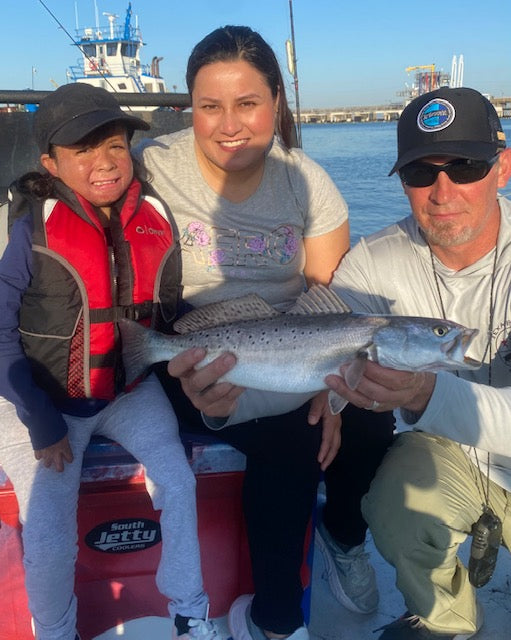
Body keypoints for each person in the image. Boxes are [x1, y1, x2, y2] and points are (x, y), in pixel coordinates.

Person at [136, 25, 394, 640]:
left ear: (277, 103)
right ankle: (276, 620)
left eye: (248, 104)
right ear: (189, 107)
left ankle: (343, 537)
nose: (230, 124)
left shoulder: (307, 183)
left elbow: (331, 299)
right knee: (289, 442)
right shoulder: (151, 167)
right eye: (210, 106)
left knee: (370, 416)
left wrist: (328, 390)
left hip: (298, 348)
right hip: (191, 352)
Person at [0, 83, 221, 640]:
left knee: (178, 483)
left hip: (129, 392)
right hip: (41, 401)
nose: (104, 163)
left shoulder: (155, 219)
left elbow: (169, 310)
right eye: (83, 151)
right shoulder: (31, 230)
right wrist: (42, 423)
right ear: (51, 164)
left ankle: (189, 611)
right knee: (47, 528)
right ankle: (56, 629)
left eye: (115, 145)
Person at [321, 86, 511, 638]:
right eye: (420, 174)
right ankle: (443, 621)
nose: (443, 191)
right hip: (445, 455)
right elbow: (320, 350)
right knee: (394, 503)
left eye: (466, 165)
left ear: (502, 168)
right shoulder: (370, 266)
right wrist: (317, 393)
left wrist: (424, 395)